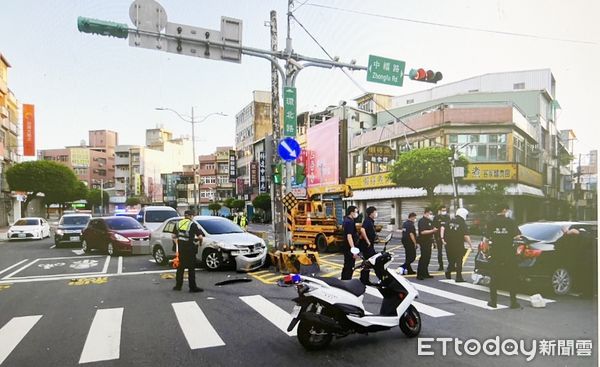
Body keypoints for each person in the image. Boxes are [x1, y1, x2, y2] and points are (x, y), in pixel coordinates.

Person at [486, 203, 521, 309]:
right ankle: (513, 302)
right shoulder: (510, 222)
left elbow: (487, 238)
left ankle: (493, 302)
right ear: (504, 210)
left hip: (495, 253)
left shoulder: (491, 222)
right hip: (508, 253)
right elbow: (518, 236)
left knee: (494, 277)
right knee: (511, 277)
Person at [173, 210, 204, 293]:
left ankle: (178, 286)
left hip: (181, 249)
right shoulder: (192, 224)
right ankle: (192, 287)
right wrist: (199, 243)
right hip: (190, 249)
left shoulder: (178, 224)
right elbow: (200, 237)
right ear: (190, 216)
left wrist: (178, 244)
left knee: (180, 268)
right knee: (191, 269)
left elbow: (173, 236)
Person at [445, 207, 472, 282]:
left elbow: (444, 231)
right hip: (458, 245)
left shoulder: (450, 221)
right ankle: (458, 277)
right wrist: (470, 245)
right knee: (459, 261)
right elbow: (466, 236)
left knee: (452, 260)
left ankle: (448, 271)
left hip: (449, 245)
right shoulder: (462, 223)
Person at [417, 208, 438, 280]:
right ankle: (419, 274)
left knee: (427, 258)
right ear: (426, 213)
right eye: (430, 213)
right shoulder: (421, 221)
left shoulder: (429, 221)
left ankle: (425, 273)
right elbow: (422, 232)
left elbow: (432, 231)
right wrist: (432, 230)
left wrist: (434, 241)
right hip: (423, 242)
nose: (431, 215)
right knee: (423, 257)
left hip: (429, 241)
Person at [358, 206, 378, 285]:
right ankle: (364, 279)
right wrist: (367, 241)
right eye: (375, 212)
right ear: (371, 213)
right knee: (370, 262)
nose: (376, 214)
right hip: (367, 246)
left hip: (369, 245)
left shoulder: (371, 221)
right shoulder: (367, 221)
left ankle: (364, 279)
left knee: (368, 262)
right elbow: (362, 230)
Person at [341, 206, 360, 280]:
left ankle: (344, 280)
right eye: (356, 212)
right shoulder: (349, 222)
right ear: (351, 212)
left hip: (346, 247)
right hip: (349, 247)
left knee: (347, 265)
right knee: (349, 265)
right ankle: (346, 281)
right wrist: (353, 250)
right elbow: (349, 236)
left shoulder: (347, 220)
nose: (357, 213)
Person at [433, 205, 450, 271]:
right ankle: (441, 265)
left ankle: (450, 265)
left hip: (447, 237)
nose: (444, 211)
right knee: (439, 252)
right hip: (438, 237)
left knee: (448, 251)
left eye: (445, 210)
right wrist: (434, 238)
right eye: (443, 210)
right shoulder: (436, 217)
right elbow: (434, 227)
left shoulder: (447, 217)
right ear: (439, 211)